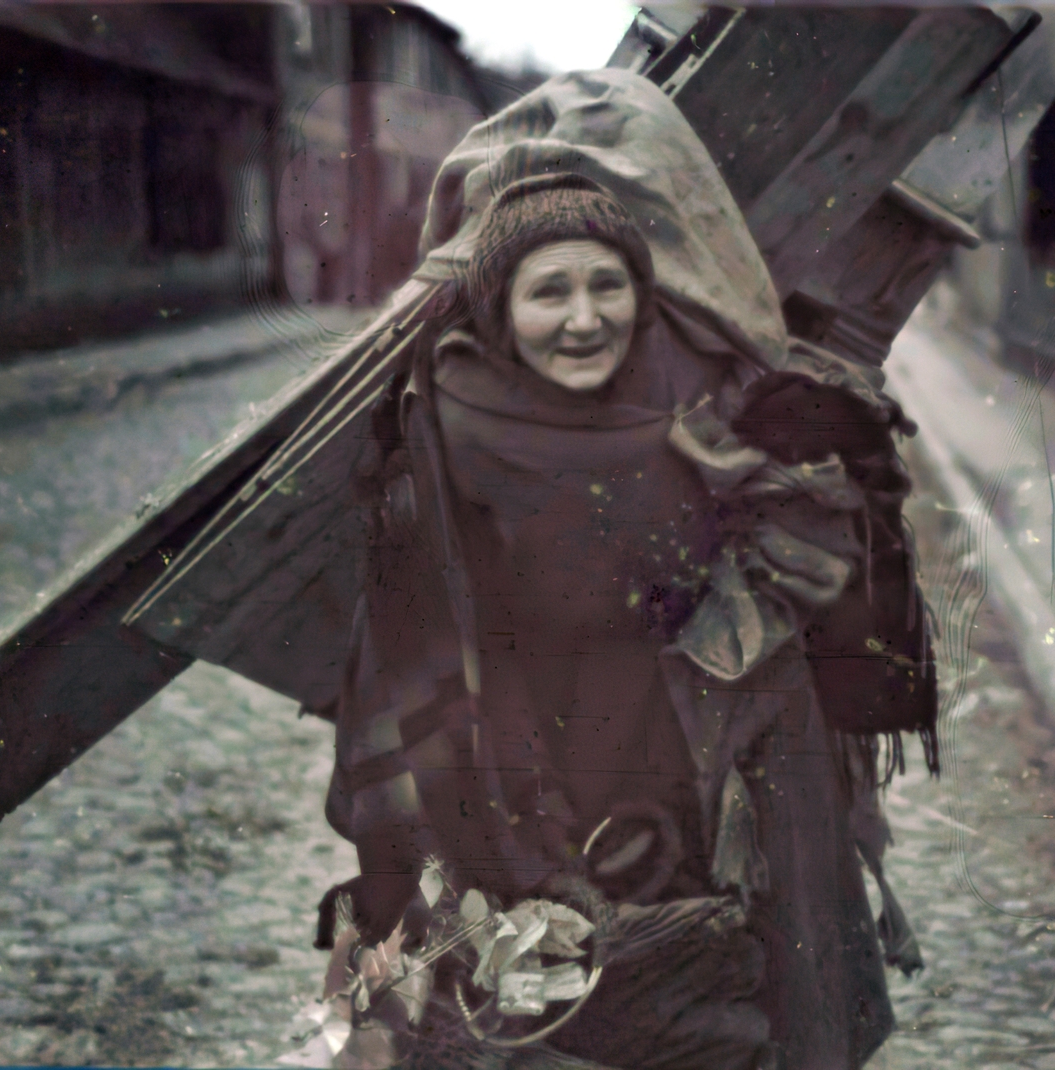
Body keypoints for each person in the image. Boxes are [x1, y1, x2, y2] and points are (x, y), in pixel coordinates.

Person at [310, 69, 933, 1070]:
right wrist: (488, 854)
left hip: (698, 797)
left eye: (608, 285)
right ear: (497, 306)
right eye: (547, 291)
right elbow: (405, 659)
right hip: (520, 802)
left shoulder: (701, 420)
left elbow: (802, 589)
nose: (584, 317)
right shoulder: (439, 441)